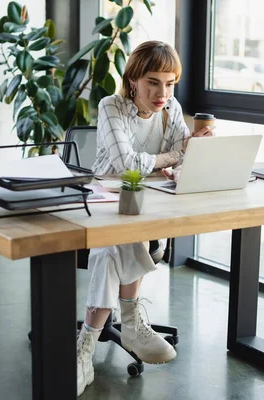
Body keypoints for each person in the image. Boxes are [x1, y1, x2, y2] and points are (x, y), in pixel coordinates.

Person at [76, 40, 214, 396]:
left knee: (119, 244)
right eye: (153, 82)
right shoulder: (111, 106)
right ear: (134, 79)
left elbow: (186, 162)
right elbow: (125, 165)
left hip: (151, 208)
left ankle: (85, 348)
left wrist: (196, 152)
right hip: (105, 204)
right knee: (115, 242)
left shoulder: (171, 111)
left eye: (170, 83)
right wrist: (176, 155)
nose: (162, 93)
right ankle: (130, 322)